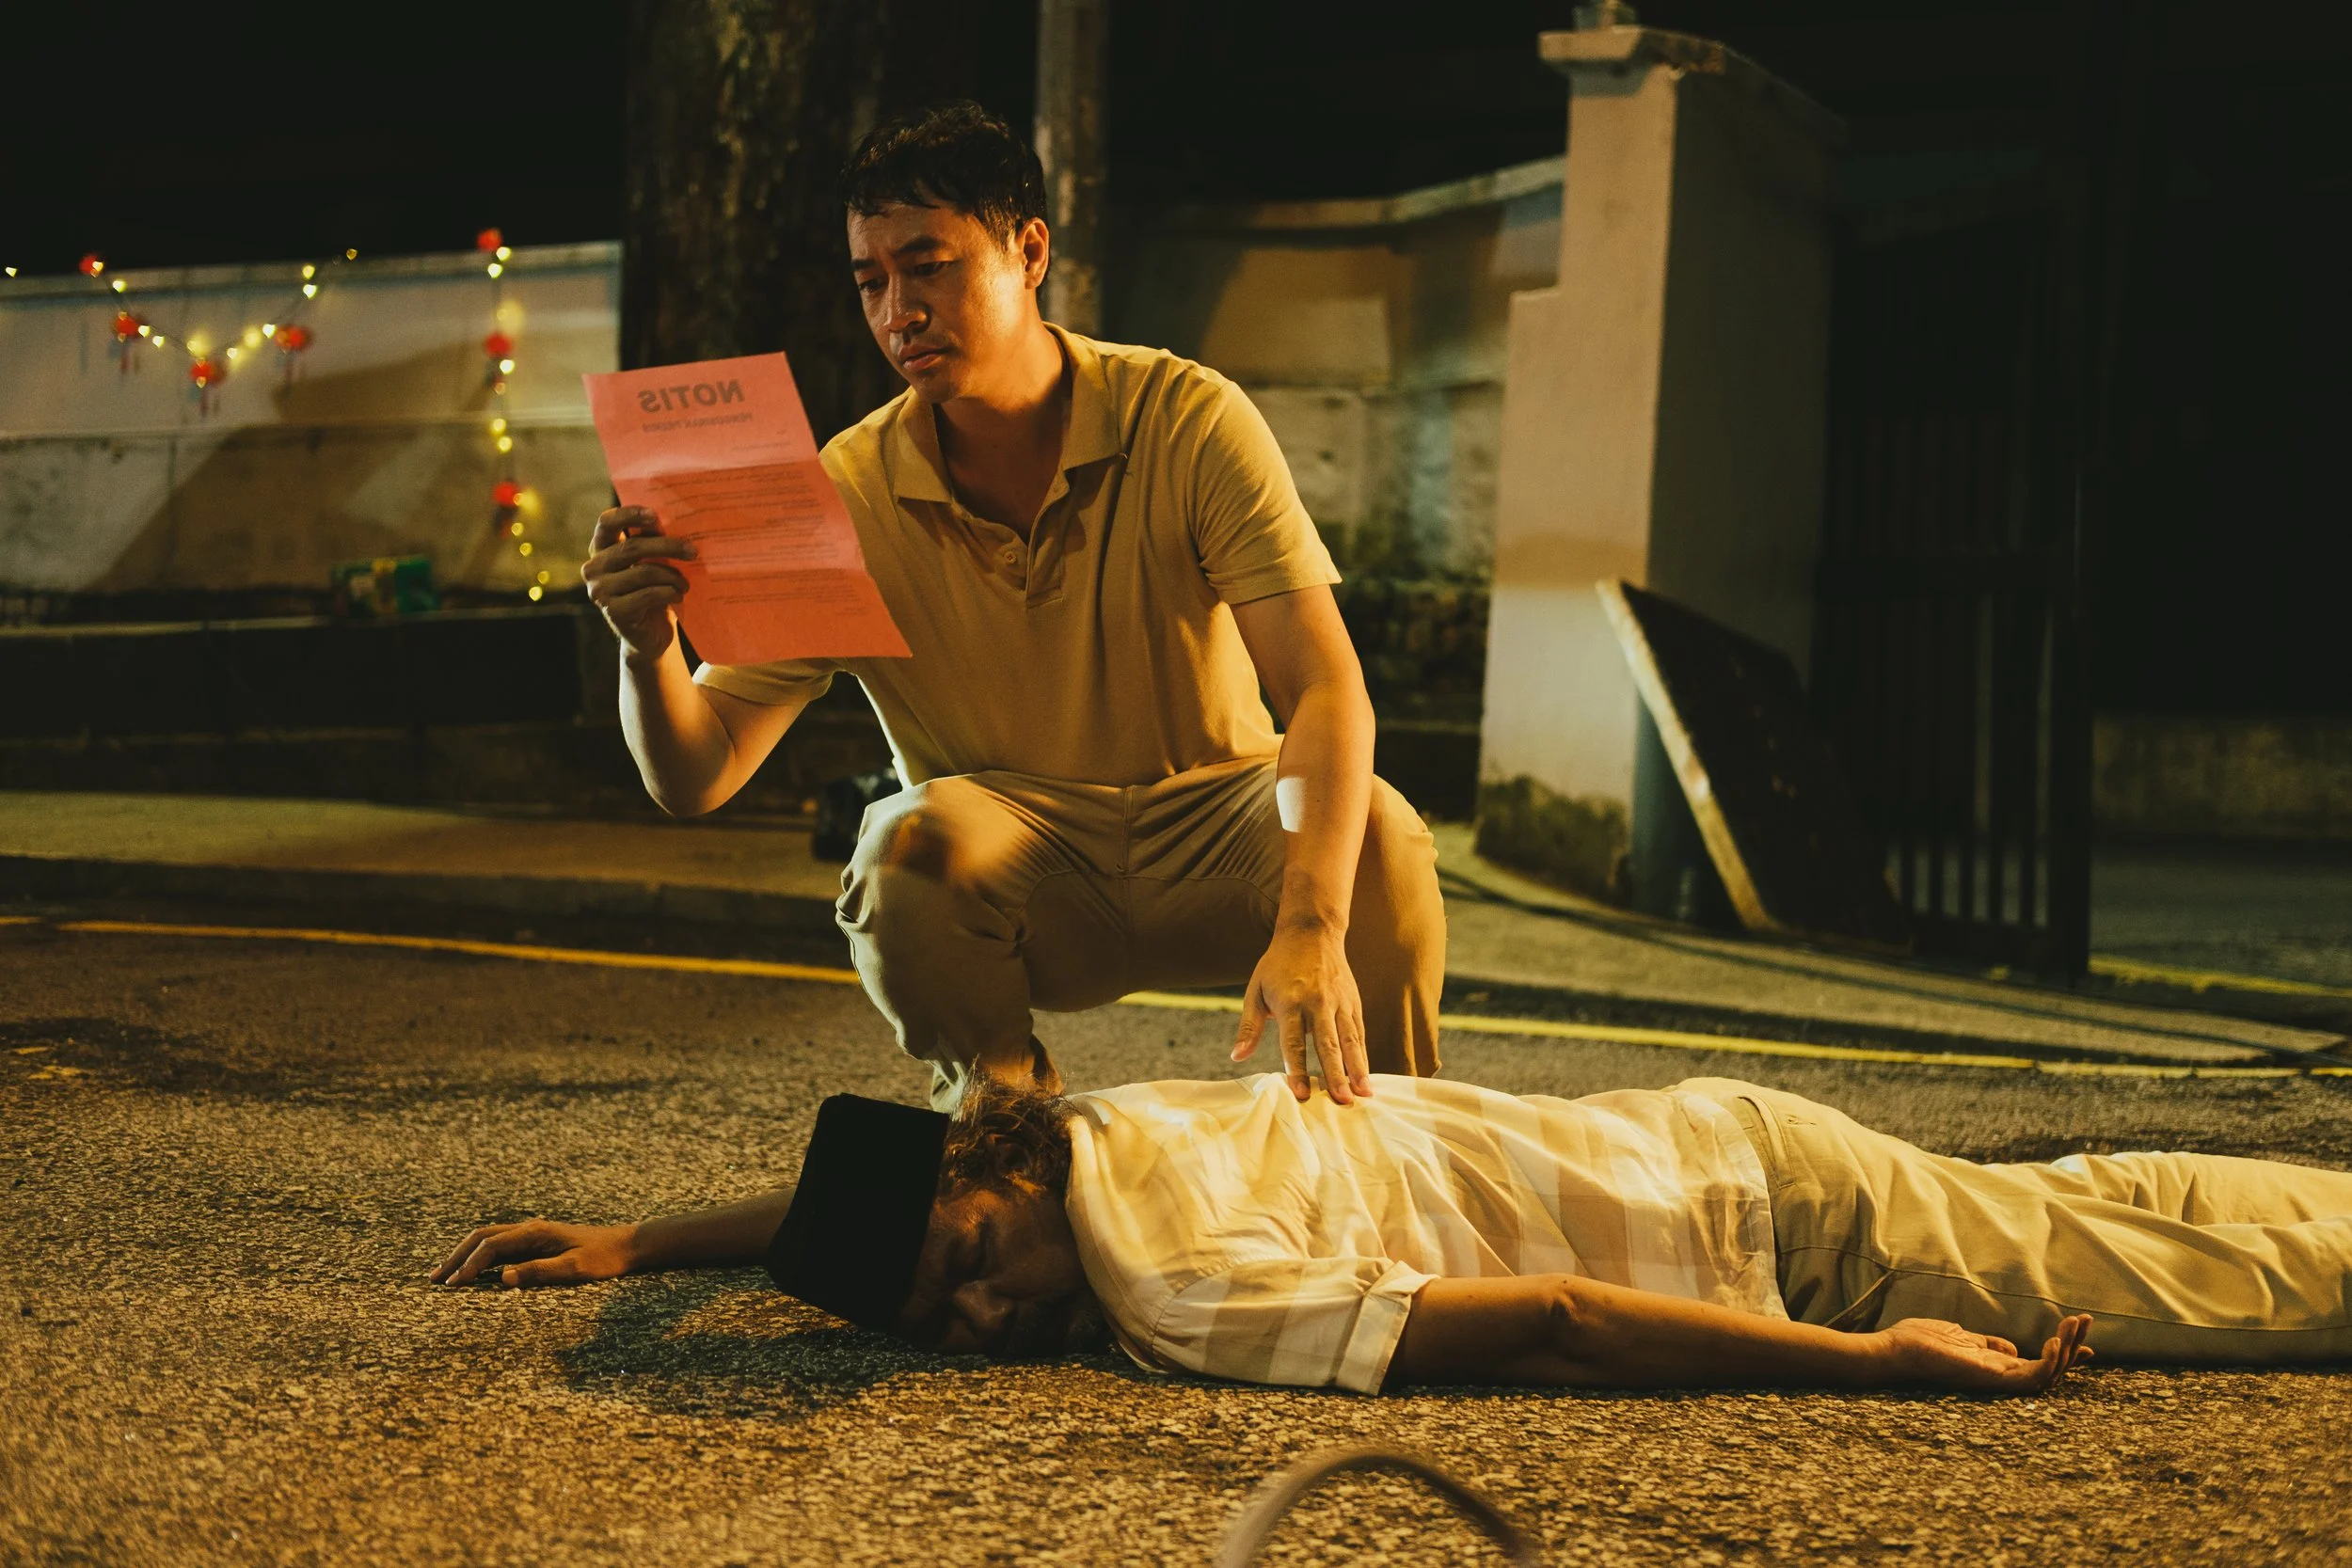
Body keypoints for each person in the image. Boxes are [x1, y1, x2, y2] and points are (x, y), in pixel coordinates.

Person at [580, 100, 1443, 1113]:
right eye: (871, 281)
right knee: (902, 848)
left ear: (1029, 251)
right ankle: (1003, 1135)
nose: (898, 311)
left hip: (1213, 827)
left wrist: (1309, 923)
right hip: (1021, 861)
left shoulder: (1185, 416)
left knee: (1375, 831)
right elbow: (700, 772)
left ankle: (1389, 1133)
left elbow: (1324, 687)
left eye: (929, 266)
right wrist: (648, 649)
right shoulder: (844, 491)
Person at [430, 1072, 2352, 1393]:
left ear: (984, 1182)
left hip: (1778, 1240)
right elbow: (876, 1196)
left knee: (2218, 1297)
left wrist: (1870, 1362)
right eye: (946, 1325)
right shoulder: (1095, 1126)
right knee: (2098, 1205)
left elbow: (1558, 1318)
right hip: (1725, 1136)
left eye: (973, 1268)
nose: (986, 1317)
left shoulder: (1180, 1290)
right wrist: (641, 1238)